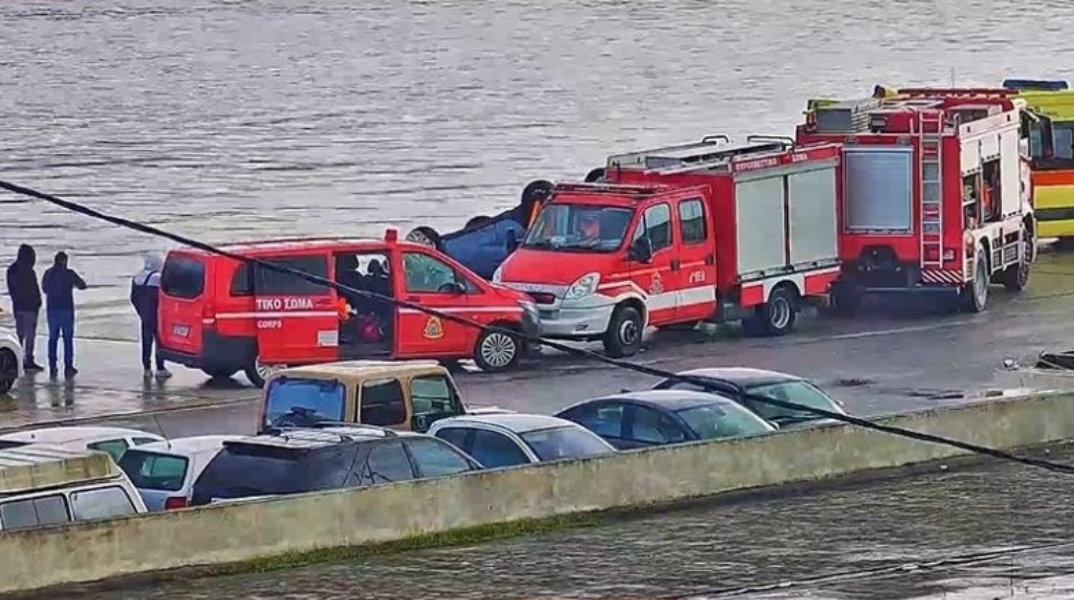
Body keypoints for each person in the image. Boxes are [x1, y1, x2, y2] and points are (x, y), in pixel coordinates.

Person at [41, 251, 87, 379]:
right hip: (66, 309)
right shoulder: (69, 274)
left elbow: (44, 289)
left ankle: (52, 365)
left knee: (52, 338)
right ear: (65, 261)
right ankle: (68, 366)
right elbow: (82, 285)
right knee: (67, 339)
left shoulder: (48, 273)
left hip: (52, 309)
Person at [130, 253, 171, 379]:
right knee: (160, 342)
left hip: (145, 315)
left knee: (146, 342)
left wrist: (141, 312)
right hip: (157, 315)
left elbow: (133, 298)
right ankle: (160, 368)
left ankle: (147, 368)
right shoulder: (157, 278)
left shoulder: (137, 277)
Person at [5, 244, 43, 371]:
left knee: (20, 334)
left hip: (19, 306)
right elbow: (33, 288)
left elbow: (12, 290)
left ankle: (18, 359)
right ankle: (28, 360)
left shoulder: (12, 270)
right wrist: (38, 302)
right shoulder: (28, 270)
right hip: (29, 307)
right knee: (30, 335)